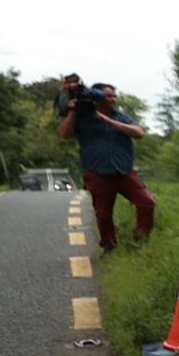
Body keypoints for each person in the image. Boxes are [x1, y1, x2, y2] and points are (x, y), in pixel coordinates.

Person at [57, 83, 155, 251]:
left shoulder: (121, 116)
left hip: (124, 171)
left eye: (113, 96)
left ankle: (139, 242)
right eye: (108, 96)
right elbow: (64, 134)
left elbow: (138, 133)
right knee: (103, 214)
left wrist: (105, 120)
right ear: (95, 98)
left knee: (147, 203)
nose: (112, 99)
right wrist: (73, 112)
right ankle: (109, 246)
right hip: (97, 172)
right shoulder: (82, 118)